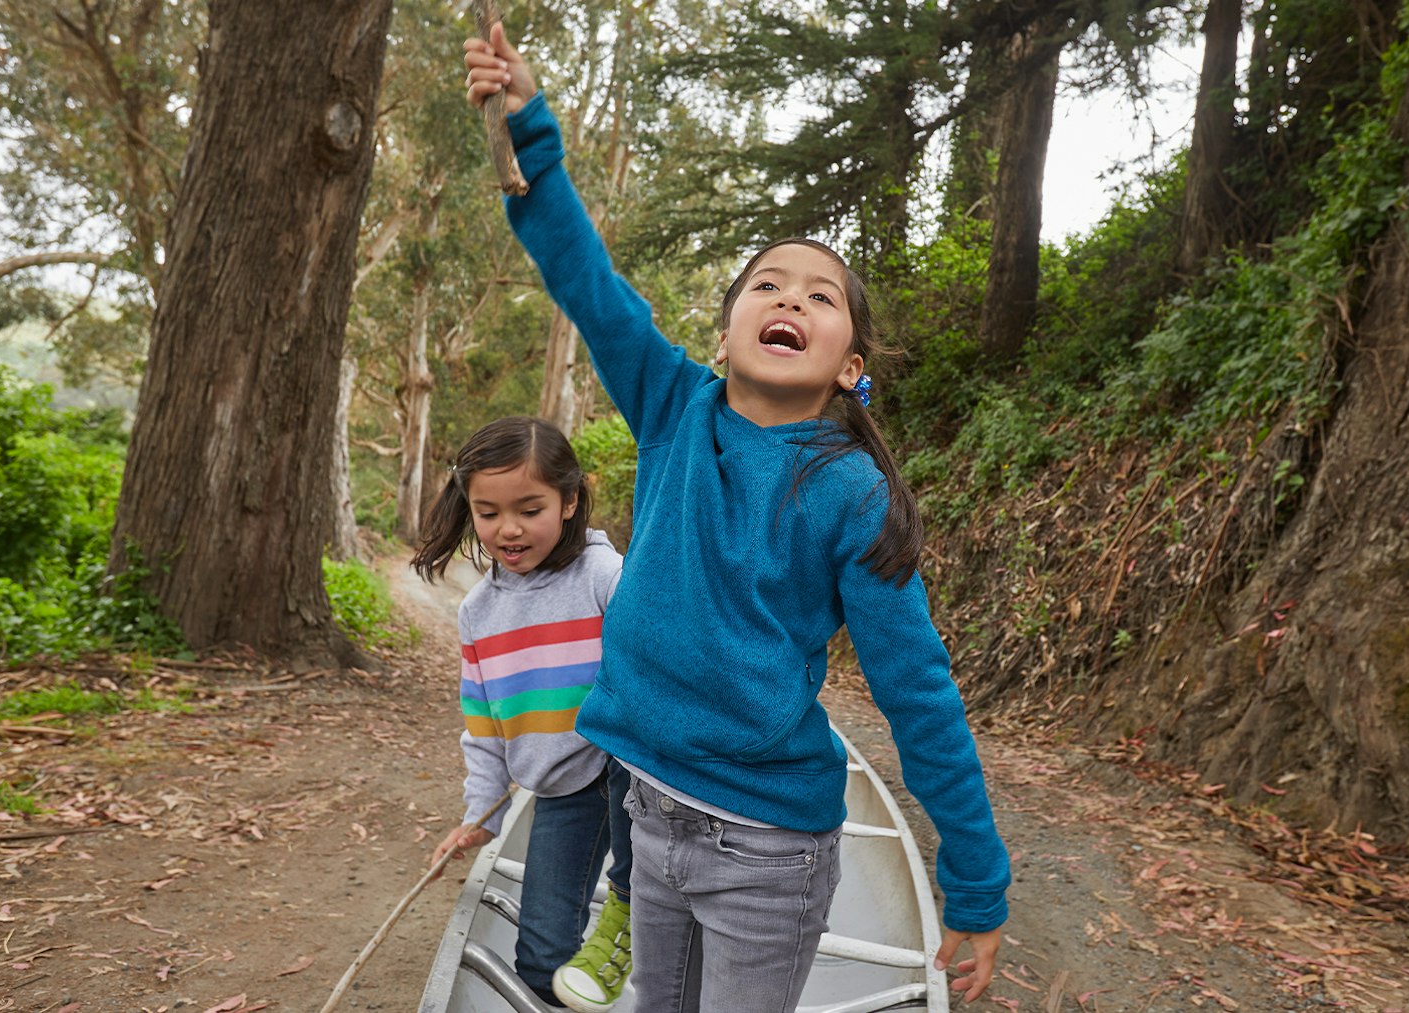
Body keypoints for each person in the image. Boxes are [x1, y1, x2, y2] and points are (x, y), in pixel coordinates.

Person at [461, 24, 1012, 1012]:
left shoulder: (848, 490)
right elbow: (581, 273)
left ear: (850, 366)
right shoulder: (675, 404)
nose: (789, 295)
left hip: (768, 849)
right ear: (726, 334)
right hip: (649, 818)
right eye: (767, 282)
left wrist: (975, 880)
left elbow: (917, 690)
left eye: (819, 295)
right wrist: (527, 123)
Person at [412, 415, 633, 1013]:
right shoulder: (479, 612)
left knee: (625, 747)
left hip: (632, 776)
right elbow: (483, 727)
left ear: (569, 501)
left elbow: (657, 672)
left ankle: (632, 901)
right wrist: (481, 814)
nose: (507, 529)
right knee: (540, 958)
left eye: (529, 509)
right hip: (563, 792)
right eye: (489, 513)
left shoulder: (605, 578)